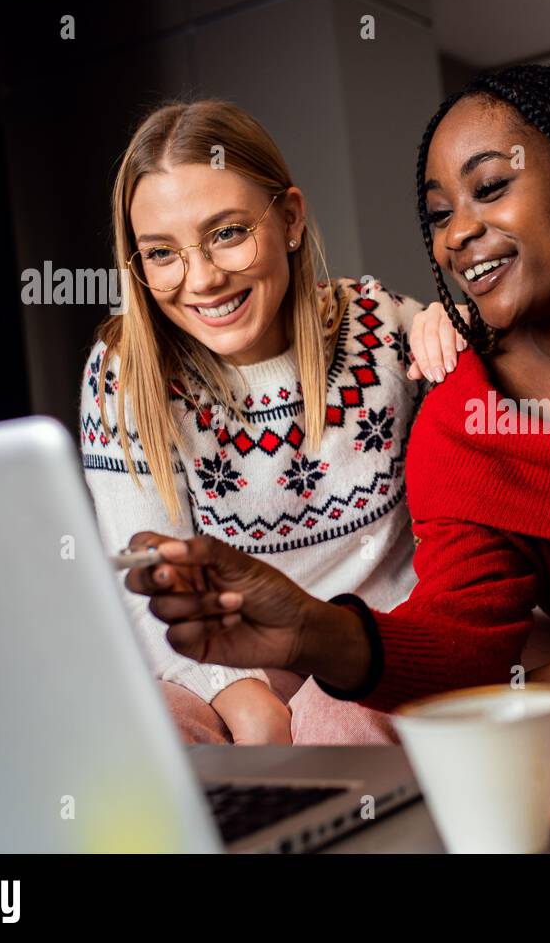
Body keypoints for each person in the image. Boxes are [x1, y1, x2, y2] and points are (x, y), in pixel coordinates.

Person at [122, 65, 550, 745]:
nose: (458, 234)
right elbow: (464, 630)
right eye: (440, 214)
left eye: (491, 188)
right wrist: (310, 630)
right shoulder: (464, 421)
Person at [82, 100, 421, 745]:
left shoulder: (382, 327)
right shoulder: (125, 371)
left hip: (363, 648)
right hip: (216, 662)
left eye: (228, 233)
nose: (202, 280)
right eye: (162, 253)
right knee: (139, 735)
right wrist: (239, 696)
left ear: (290, 218)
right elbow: (143, 587)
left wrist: (452, 329)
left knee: (335, 727)